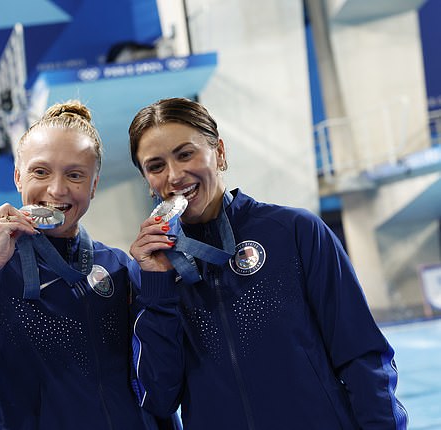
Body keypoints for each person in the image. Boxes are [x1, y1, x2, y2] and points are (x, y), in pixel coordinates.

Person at [0, 100, 177, 430]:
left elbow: (158, 388)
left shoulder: (117, 267)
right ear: (17, 177)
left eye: (75, 175)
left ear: (93, 186)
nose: (56, 189)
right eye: (40, 171)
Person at [127, 97, 408, 429]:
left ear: (219, 153)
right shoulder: (151, 271)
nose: (174, 175)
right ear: (147, 180)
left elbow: (362, 355)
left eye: (185, 154)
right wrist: (159, 288)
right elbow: (159, 397)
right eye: (156, 166)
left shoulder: (294, 231)